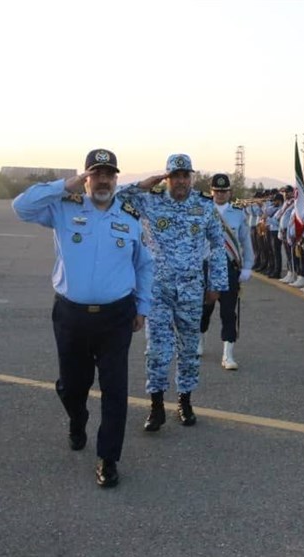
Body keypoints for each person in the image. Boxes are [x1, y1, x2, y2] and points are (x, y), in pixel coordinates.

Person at [12, 148, 154, 488]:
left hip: (117, 315)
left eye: (109, 173)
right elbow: (20, 207)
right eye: (96, 173)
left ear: (116, 178)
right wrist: (64, 184)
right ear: (86, 176)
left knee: (115, 389)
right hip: (71, 315)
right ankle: (77, 419)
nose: (103, 179)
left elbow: (144, 264)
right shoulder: (63, 207)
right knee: (72, 385)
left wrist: (143, 306)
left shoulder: (131, 215)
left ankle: (108, 458)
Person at [117, 154, 228, 432]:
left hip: (192, 289)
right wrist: (143, 184)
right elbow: (117, 197)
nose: (180, 181)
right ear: (166, 177)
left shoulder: (204, 206)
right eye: (174, 176)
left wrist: (216, 284)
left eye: (184, 176)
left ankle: (185, 400)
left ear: (191, 177)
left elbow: (217, 245)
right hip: (157, 289)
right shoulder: (150, 200)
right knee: (157, 350)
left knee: (189, 348)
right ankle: (156, 405)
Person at [200, 173, 254, 370]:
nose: (220, 194)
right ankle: (200, 340)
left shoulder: (238, 213)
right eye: (217, 191)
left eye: (224, 191)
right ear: (211, 192)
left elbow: (245, 241)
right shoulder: (203, 211)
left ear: (230, 192)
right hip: (207, 267)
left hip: (229, 268)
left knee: (228, 312)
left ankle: (228, 354)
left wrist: (247, 266)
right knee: (205, 309)